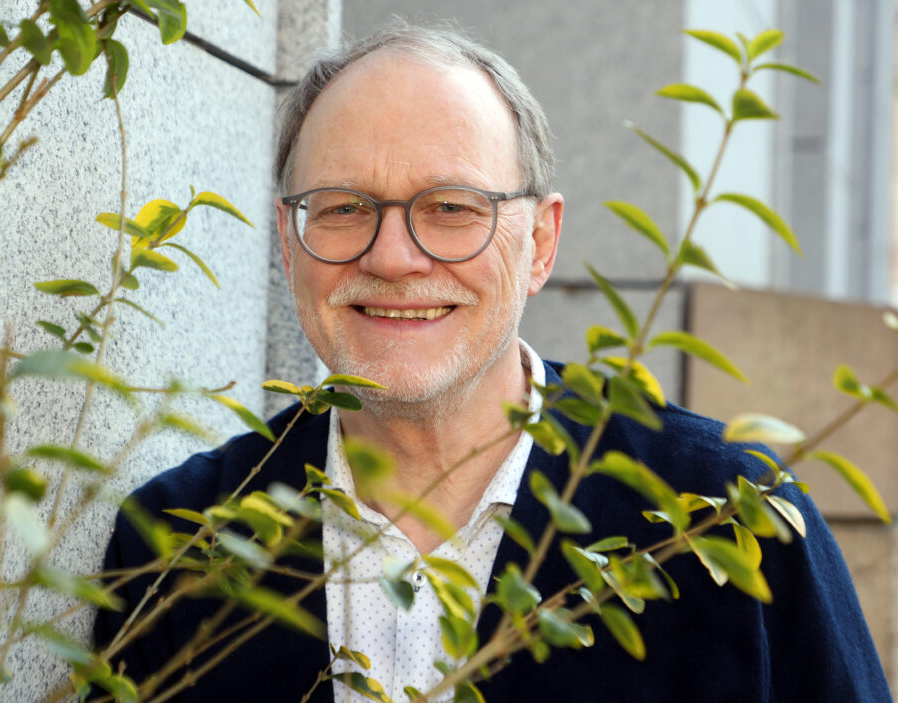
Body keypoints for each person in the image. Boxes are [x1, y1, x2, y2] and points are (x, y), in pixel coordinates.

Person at [94, 23, 891, 703]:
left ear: (540, 243)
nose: (396, 256)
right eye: (343, 209)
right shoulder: (175, 545)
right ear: (286, 238)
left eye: (451, 209)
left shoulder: (728, 517)